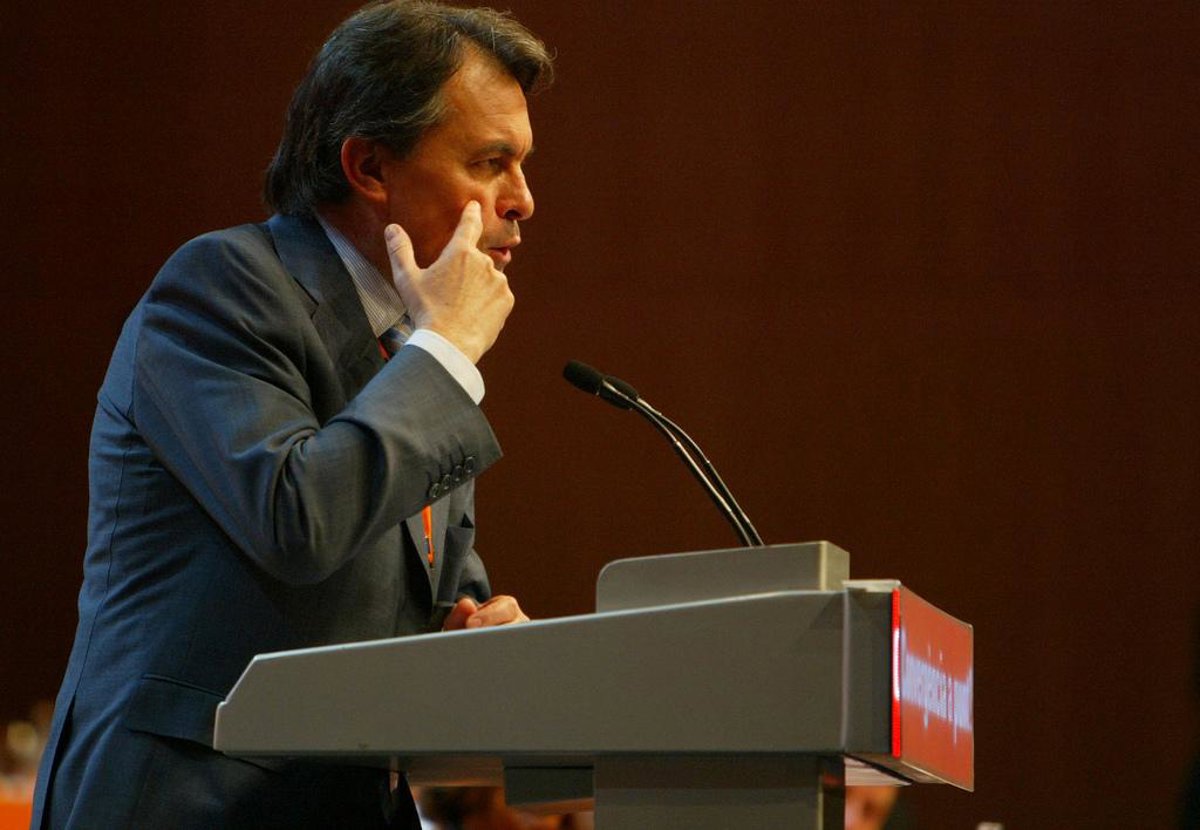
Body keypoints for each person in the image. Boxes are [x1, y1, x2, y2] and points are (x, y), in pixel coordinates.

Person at [31, 2, 553, 827]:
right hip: (186, 806)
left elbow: (415, 593)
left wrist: (478, 630)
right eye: (491, 163)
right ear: (369, 165)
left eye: (521, 165)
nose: (522, 200)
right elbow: (298, 520)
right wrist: (447, 350)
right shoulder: (223, 288)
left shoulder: (410, 349)